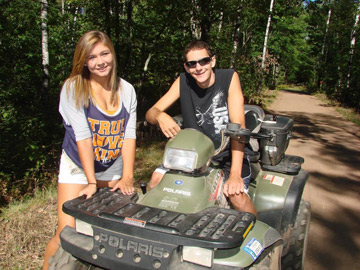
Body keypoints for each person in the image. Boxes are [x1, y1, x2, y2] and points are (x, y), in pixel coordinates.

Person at [43, 31, 137, 270]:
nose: (100, 61)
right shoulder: (74, 87)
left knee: (109, 230)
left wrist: (127, 175)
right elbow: (82, 136)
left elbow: (129, 134)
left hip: (111, 165)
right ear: (84, 61)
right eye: (92, 57)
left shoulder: (127, 90)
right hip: (78, 166)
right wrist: (91, 181)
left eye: (104, 53)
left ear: (112, 53)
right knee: (67, 232)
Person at [145, 40, 256, 215]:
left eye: (203, 61)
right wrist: (160, 115)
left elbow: (238, 128)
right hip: (193, 156)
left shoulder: (228, 78)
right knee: (156, 181)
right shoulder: (183, 81)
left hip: (228, 156)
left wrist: (235, 174)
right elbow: (150, 113)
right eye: (192, 64)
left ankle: (254, 237)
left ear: (213, 61)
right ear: (187, 67)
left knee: (236, 195)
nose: (198, 67)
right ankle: (156, 228)